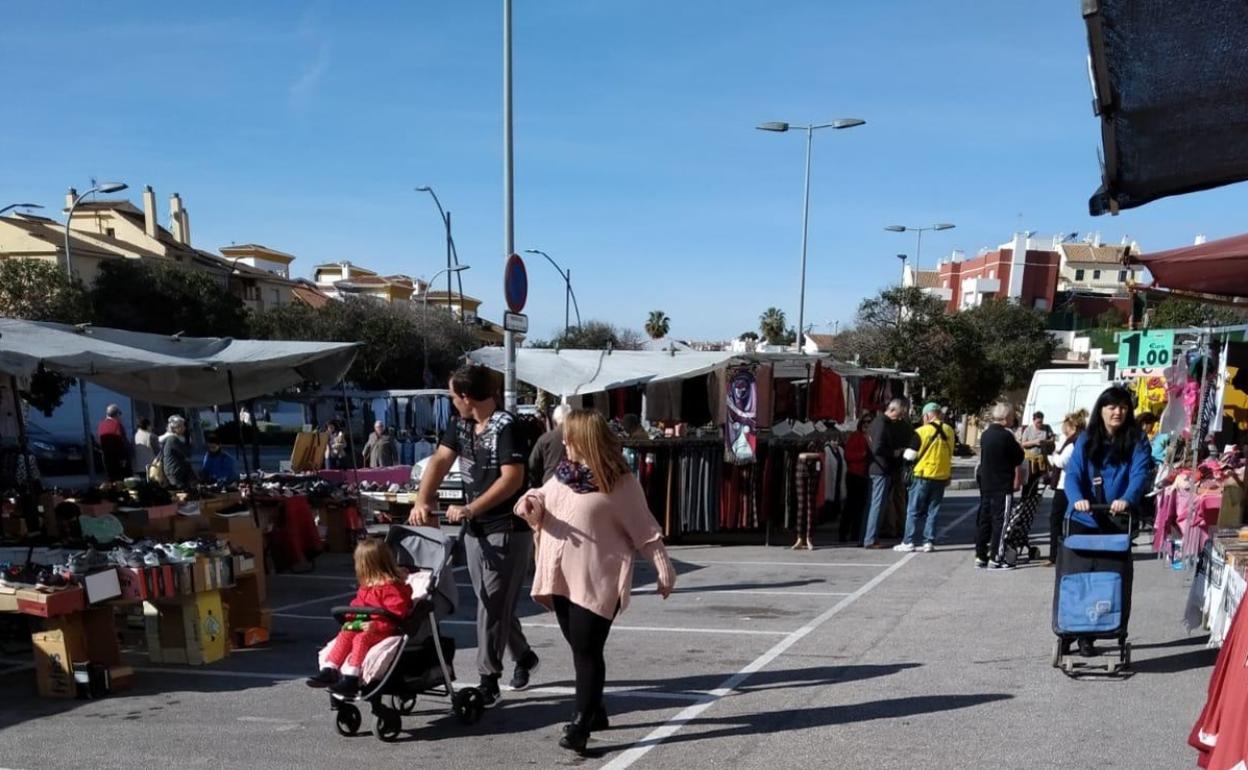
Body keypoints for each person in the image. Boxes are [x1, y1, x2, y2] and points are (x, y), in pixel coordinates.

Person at [515, 410, 676, 754]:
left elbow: (644, 528)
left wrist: (664, 567)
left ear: (586, 439)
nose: (565, 443)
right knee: (580, 648)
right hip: (560, 577)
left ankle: (580, 724)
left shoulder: (619, 480)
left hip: (597, 580)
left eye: (570, 438)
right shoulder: (564, 474)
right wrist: (529, 504)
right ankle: (596, 709)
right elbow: (540, 497)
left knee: (587, 650)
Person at [408, 364, 538, 707]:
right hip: (476, 529)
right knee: (491, 602)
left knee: (492, 605)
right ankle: (523, 655)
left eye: (453, 396)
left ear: (467, 396)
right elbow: (439, 459)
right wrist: (423, 499)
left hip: (507, 529)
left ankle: (487, 677)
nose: (452, 402)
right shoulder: (461, 424)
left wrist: (472, 508)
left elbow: (511, 478)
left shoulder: (507, 426)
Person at [1064, 385, 1151, 656]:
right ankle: (1075, 628)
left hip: (1116, 519)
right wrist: (1077, 498)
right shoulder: (1086, 439)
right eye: (1112, 406)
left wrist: (1127, 498)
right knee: (1080, 577)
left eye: (1123, 407)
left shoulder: (1137, 440)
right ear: (1100, 410)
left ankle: (1100, 631)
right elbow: (1073, 475)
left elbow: (1139, 474)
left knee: (1111, 578)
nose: (1118, 412)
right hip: (1084, 518)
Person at [306, 538, 414, 696]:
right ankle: (330, 668)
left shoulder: (392, 588)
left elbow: (396, 614)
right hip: (366, 624)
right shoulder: (368, 587)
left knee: (360, 639)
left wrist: (376, 625)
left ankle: (352, 676)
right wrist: (349, 616)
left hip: (385, 629)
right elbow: (358, 604)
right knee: (346, 633)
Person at [895, 403, 956, 553]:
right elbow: (950, 453)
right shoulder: (950, 431)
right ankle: (928, 542)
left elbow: (909, 455)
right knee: (933, 510)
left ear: (928, 415)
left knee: (913, 510)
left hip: (922, 475)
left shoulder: (921, 431)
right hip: (941, 476)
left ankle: (908, 541)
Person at [975, 402, 1025, 569]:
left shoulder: (986, 434)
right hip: (1002, 484)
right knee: (1000, 521)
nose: (1013, 419)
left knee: (985, 519)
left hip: (986, 483)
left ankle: (981, 554)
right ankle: (997, 557)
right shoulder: (1006, 436)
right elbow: (1018, 456)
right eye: (1011, 416)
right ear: (1005, 418)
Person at [862, 398, 909, 549]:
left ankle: (866, 537)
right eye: (900, 414)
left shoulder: (878, 422)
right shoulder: (881, 423)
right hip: (880, 469)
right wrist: (897, 452)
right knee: (877, 505)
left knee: (873, 504)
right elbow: (877, 448)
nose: (900, 418)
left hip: (877, 469)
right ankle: (870, 539)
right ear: (893, 410)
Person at [1045, 410, 1087, 565]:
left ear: (1071, 426)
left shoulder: (1074, 442)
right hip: (1067, 484)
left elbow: (1061, 462)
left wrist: (1053, 454)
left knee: (1057, 520)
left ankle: (1055, 555)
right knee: (1062, 519)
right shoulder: (1075, 439)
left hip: (1065, 486)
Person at [839, 417, 871, 543]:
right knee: (851, 506)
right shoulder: (856, 436)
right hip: (854, 474)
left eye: (869, 422)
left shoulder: (870, 437)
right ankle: (843, 532)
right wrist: (862, 455)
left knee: (860, 507)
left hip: (864, 475)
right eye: (865, 422)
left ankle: (856, 533)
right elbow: (847, 455)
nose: (867, 424)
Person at [529, 405, 571, 486]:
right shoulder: (579, 437)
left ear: (554, 421)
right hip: (573, 485)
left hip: (549, 482)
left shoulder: (545, 439)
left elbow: (532, 465)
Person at [159, 415, 196, 491]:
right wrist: (188, 441)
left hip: (174, 471)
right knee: (180, 493)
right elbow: (186, 453)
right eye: (182, 426)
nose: (184, 428)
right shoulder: (173, 440)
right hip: (175, 472)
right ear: (175, 428)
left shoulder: (171, 439)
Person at [97, 404, 130, 481]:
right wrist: (124, 458)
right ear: (117, 414)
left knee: (111, 479)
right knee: (121, 481)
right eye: (119, 414)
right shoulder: (117, 425)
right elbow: (122, 442)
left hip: (106, 458)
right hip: (118, 459)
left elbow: (99, 441)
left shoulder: (101, 424)